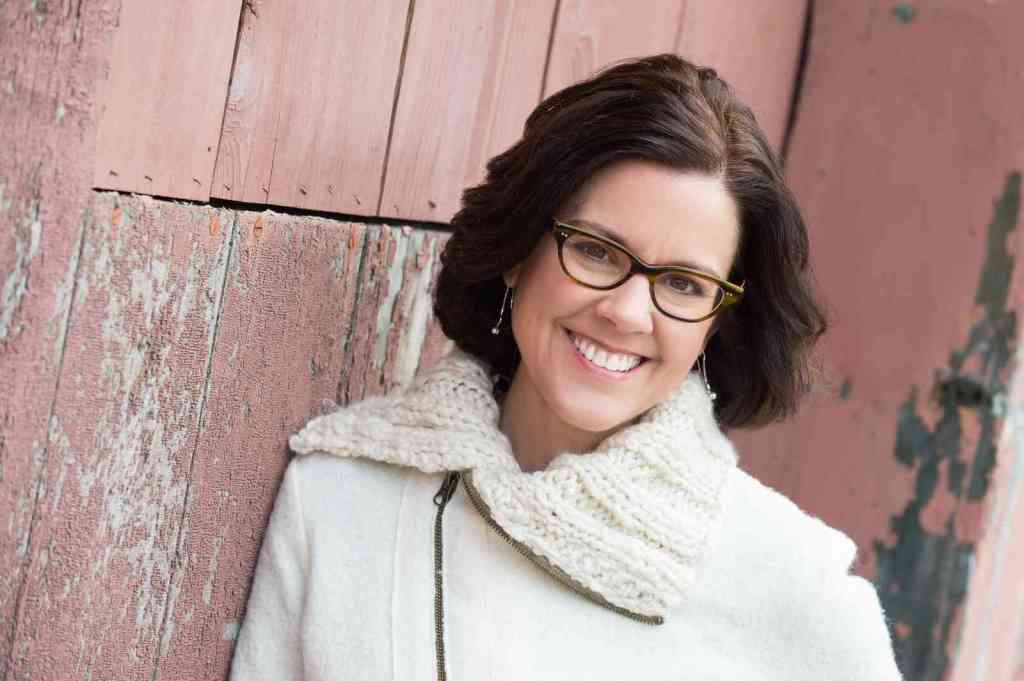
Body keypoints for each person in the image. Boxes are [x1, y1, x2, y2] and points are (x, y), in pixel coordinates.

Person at [228, 53, 903, 680]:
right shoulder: (338, 496)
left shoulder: (795, 589)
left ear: (716, 322)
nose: (628, 312)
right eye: (597, 251)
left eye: (684, 284)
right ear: (520, 249)